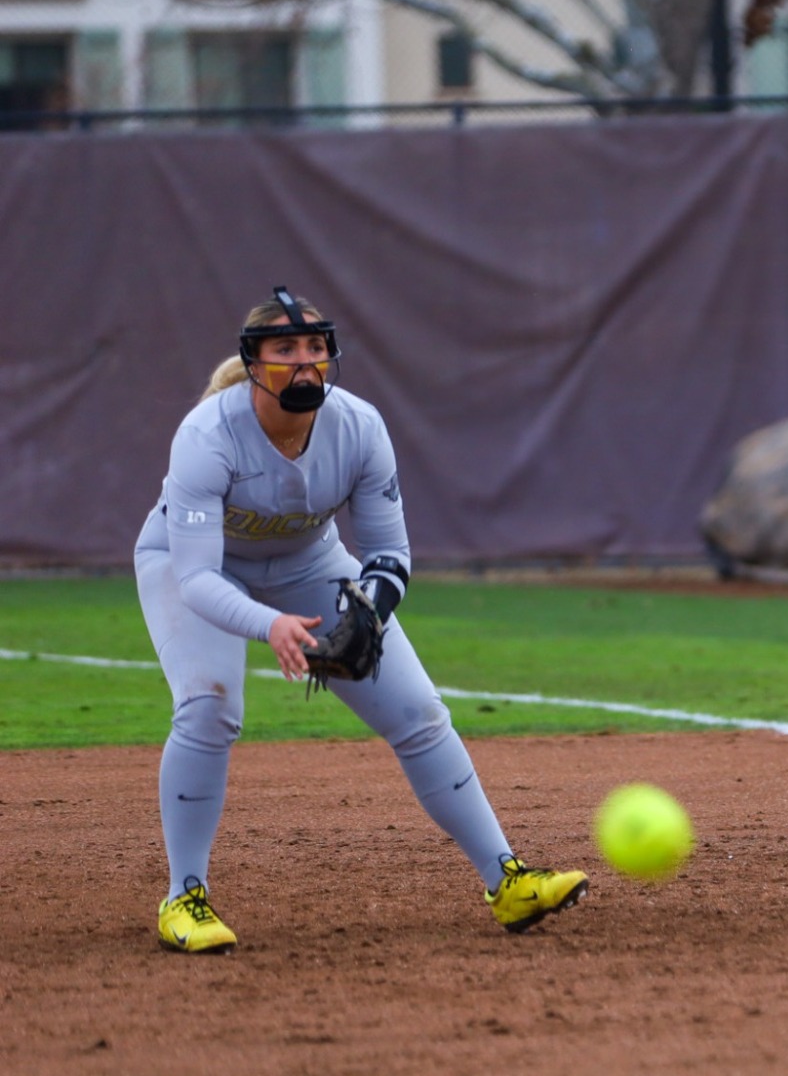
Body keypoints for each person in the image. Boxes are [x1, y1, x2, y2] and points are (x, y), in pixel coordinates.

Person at [135, 287, 588, 954]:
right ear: (253, 363)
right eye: (284, 349)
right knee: (208, 708)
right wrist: (270, 625)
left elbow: (389, 554)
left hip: (307, 562)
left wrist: (367, 613)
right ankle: (184, 896)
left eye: (315, 347)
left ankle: (509, 880)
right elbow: (198, 577)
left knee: (420, 713)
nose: (304, 362)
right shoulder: (207, 434)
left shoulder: (359, 427)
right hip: (189, 563)